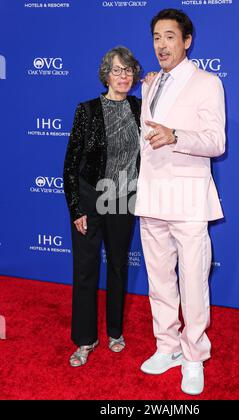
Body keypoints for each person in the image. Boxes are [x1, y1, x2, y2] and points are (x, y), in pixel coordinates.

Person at [135, 9, 226, 395]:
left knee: (192, 283)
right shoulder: (151, 84)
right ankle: (167, 347)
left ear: (186, 41)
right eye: (157, 37)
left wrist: (176, 135)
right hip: (152, 196)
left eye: (170, 37)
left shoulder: (208, 83)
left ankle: (193, 356)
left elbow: (216, 142)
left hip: (188, 200)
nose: (161, 45)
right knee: (159, 284)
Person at [63, 46, 141, 366]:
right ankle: (85, 339)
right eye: (116, 70)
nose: (123, 76)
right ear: (105, 74)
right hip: (92, 198)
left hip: (124, 198)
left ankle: (115, 332)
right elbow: (70, 164)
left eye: (128, 70)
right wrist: (76, 208)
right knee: (85, 270)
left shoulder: (141, 107)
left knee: (119, 266)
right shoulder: (87, 110)